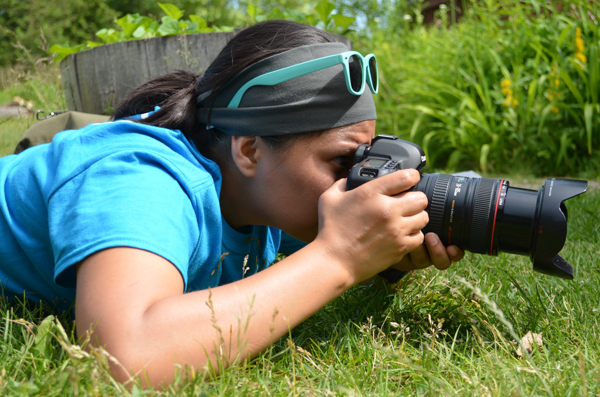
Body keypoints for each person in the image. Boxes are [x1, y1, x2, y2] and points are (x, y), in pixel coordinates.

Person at [0, 20, 463, 387]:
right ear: (249, 150)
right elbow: (124, 355)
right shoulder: (141, 177)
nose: (357, 182)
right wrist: (338, 257)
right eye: (342, 160)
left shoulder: (259, 192)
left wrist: (386, 256)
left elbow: (292, 276)